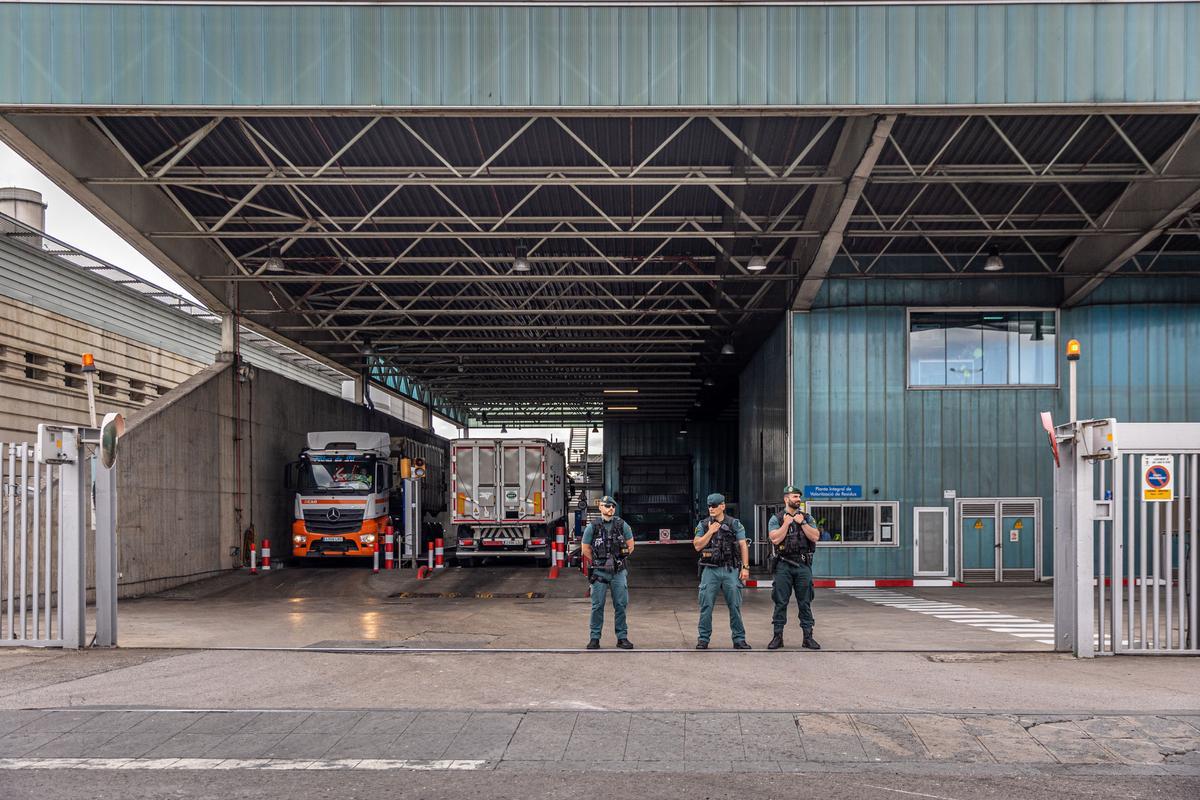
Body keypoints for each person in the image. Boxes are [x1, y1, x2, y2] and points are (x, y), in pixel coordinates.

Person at [693, 493, 751, 650]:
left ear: (723, 506)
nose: (711, 508)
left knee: (735, 606)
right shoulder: (704, 525)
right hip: (710, 570)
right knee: (706, 605)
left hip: (730, 569)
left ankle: (739, 639)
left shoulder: (734, 524)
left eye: (715, 505)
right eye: (709, 506)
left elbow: (743, 545)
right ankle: (703, 639)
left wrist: (745, 567)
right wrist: (710, 531)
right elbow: (697, 545)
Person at [766, 486, 821, 650]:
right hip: (783, 564)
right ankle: (777, 637)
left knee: (805, 602)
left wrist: (801, 522)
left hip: (803, 565)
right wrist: (787, 523)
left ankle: (808, 637)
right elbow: (775, 539)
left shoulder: (807, 518)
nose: (798, 499)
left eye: (799, 497)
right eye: (795, 496)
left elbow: (815, 536)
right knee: (780, 602)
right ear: (786, 499)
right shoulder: (776, 518)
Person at [581, 495, 635, 650]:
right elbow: (585, 549)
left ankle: (622, 638)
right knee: (597, 605)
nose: (610, 508)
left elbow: (631, 545)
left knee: (621, 605)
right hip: (600, 572)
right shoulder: (593, 527)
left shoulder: (622, 525)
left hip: (618, 572)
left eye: (612, 506)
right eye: (607, 506)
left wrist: (619, 559)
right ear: (600, 507)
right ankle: (594, 638)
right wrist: (600, 562)